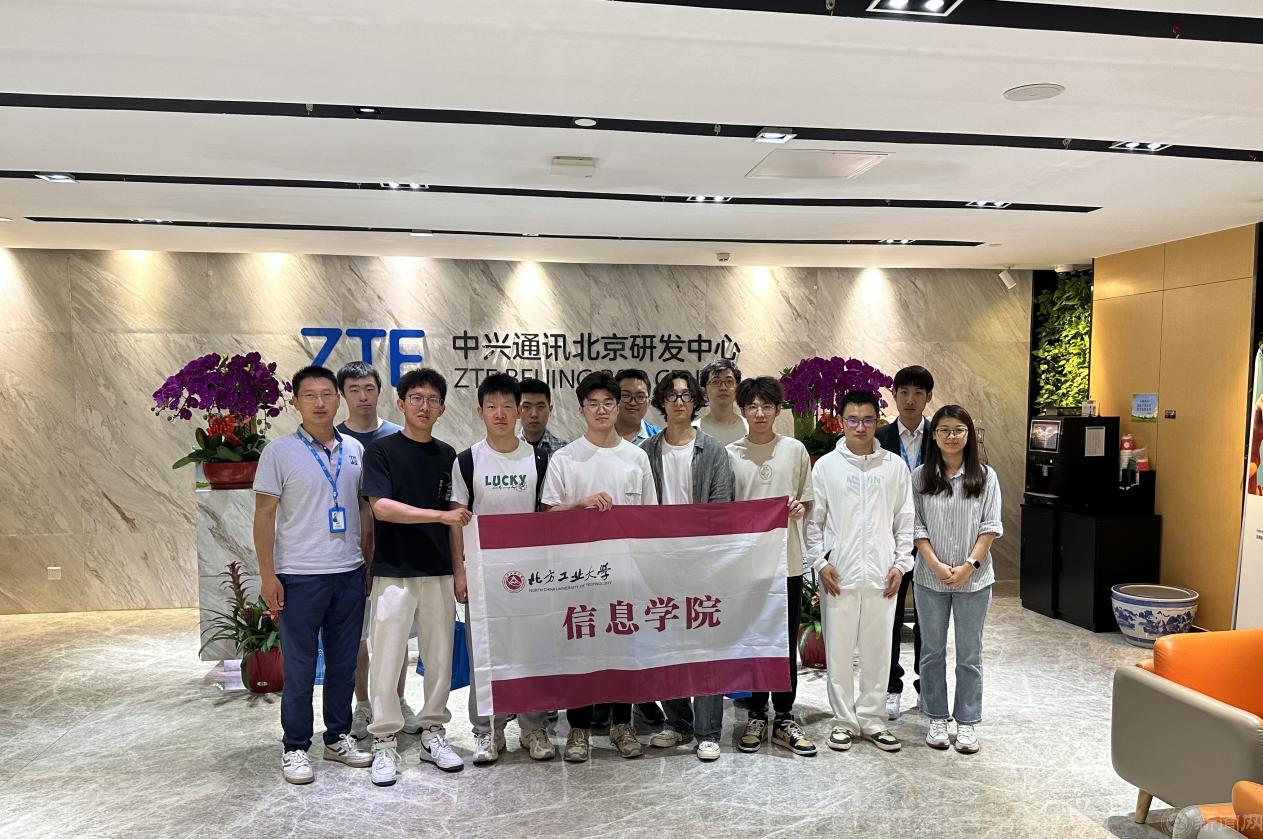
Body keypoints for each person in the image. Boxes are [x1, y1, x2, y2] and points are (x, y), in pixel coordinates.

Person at [254, 365, 373, 785]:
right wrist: (268, 575)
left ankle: (337, 738)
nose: (320, 403)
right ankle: (295, 747)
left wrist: (367, 560)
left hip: (349, 572)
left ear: (338, 399)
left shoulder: (355, 449)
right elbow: (264, 515)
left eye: (327, 394)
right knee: (301, 668)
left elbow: (363, 509)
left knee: (343, 664)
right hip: (300, 575)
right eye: (310, 395)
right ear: (295, 402)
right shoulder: (279, 451)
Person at [539, 370, 658, 763]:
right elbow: (548, 516)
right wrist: (580, 504)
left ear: (618, 407)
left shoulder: (637, 458)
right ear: (581, 410)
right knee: (580, 647)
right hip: (578, 574)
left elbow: (650, 518)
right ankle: (579, 727)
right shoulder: (565, 458)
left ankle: (622, 724)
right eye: (593, 404)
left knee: (623, 644)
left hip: (625, 571)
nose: (602, 410)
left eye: (609, 403)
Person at [361, 368, 472, 785]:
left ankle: (432, 733)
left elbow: (457, 519)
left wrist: (459, 571)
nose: (425, 406)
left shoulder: (448, 455)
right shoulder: (382, 451)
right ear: (401, 403)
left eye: (433, 400)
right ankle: (384, 739)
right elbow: (382, 508)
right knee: (387, 657)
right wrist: (438, 516)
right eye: (417, 398)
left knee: (439, 657)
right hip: (394, 571)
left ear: (442, 408)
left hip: (438, 571)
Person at [449, 373, 555, 763]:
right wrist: (460, 572)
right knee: (484, 652)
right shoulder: (467, 461)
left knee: (531, 652)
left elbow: (547, 515)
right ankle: (487, 730)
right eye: (492, 406)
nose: (500, 413)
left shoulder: (539, 458)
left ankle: (533, 728)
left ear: (519, 411)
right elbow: (456, 521)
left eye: (508, 406)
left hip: (530, 575)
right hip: (483, 573)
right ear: (480, 411)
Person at [805, 389, 914, 754]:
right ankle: (844, 721)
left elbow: (905, 520)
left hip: (883, 575)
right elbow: (813, 523)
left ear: (877, 421)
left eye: (868, 420)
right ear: (841, 422)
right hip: (840, 575)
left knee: (878, 652)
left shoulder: (894, 467)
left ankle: (872, 719)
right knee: (837, 653)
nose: (860, 427)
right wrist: (821, 563)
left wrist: (901, 564)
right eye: (852, 420)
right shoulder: (826, 467)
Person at [640, 370, 734, 761]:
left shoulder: (713, 450)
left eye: (686, 395)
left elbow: (722, 507)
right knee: (668, 642)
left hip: (702, 562)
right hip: (659, 564)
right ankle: (678, 723)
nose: (679, 401)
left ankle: (708, 730)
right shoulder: (645, 451)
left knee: (706, 644)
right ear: (661, 402)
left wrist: (703, 555)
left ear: (695, 401)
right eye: (672, 395)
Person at [727, 376, 817, 757]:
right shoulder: (730, 454)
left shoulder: (794, 450)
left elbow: (807, 501)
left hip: (787, 562)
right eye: (752, 406)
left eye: (767, 406)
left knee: (783, 639)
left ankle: (783, 714)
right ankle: (755, 713)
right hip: (747, 565)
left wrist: (798, 507)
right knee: (752, 638)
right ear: (743, 411)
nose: (760, 413)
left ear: (778, 410)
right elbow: (726, 509)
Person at [911, 405, 1002, 755]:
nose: (951, 436)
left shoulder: (986, 477)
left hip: (974, 581)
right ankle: (936, 716)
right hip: (929, 578)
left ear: (969, 435)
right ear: (934, 436)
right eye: (944, 430)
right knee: (932, 651)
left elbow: (990, 526)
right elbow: (916, 525)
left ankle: (966, 721)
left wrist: (968, 566)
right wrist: (935, 564)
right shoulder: (920, 477)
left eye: (958, 430)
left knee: (969, 654)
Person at [333, 361, 412, 741]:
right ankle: (363, 704)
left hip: (395, 550)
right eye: (354, 389)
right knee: (357, 635)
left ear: (380, 392)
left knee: (397, 631)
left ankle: (399, 699)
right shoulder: (334, 440)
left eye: (369, 388)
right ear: (342, 395)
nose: (362, 396)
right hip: (348, 552)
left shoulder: (398, 435)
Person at [874, 365, 933, 722]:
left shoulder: (940, 435)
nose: (910, 400)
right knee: (890, 618)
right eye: (904, 392)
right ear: (894, 395)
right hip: (891, 540)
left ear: (928, 397)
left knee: (929, 619)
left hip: (931, 542)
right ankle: (891, 687)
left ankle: (927, 687)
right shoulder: (879, 437)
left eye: (918, 393)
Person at [696, 360, 748, 446]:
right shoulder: (695, 430)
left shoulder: (750, 427)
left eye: (729, 381)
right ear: (704, 391)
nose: (723, 387)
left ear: (738, 388)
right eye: (715, 382)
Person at [518, 377, 569, 457]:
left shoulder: (564, 450)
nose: (534, 414)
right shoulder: (506, 449)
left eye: (540, 406)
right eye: (527, 407)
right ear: (517, 410)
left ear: (550, 410)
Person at [614, 368, 662, 444]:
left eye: (640, 397)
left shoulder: (659, 439)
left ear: (648, 403)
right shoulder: (597, 434)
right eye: (625, 395)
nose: (632, 403)